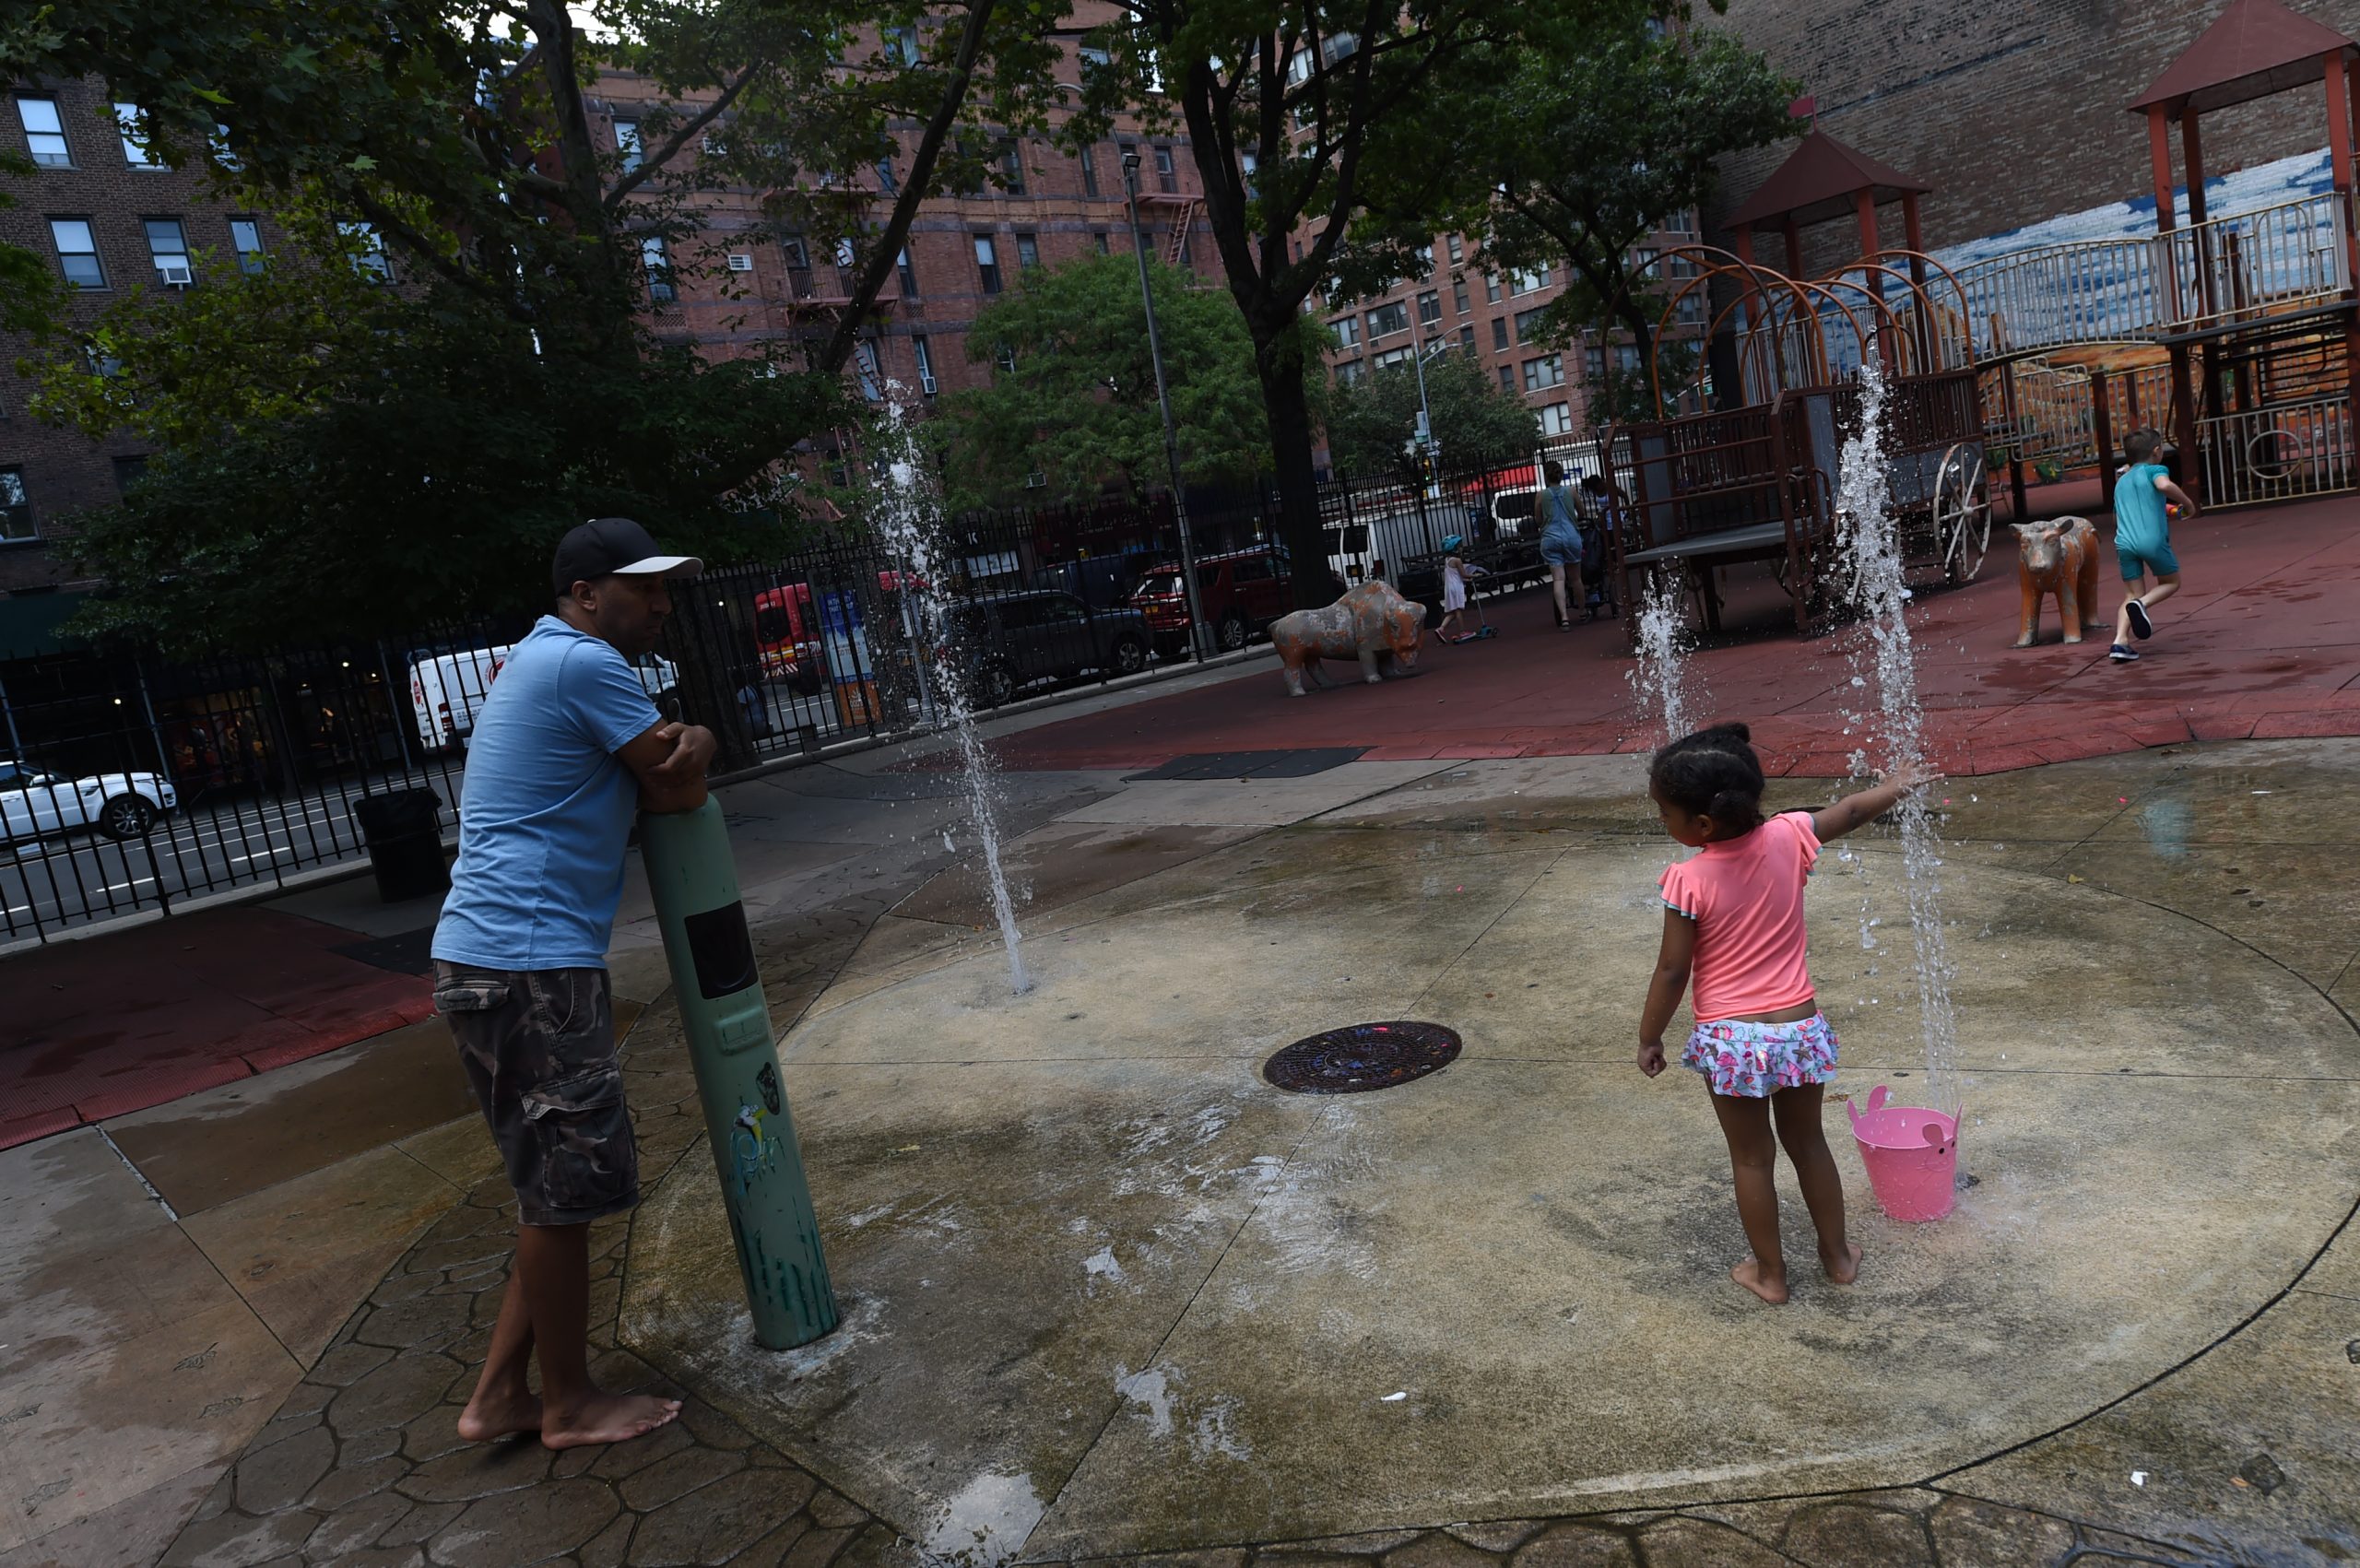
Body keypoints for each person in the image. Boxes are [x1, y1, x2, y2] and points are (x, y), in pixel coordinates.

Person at [431, 516, 719, 1449]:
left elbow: (658, 769)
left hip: (492, 958)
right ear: (587, 595)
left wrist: (685, 741)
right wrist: (702, 736)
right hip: (530, 962)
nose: (662, 605)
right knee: (567, 1189)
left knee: (551, 1187)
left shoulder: (544, 659)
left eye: (666, 587)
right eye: (645, 588)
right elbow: (676, 787)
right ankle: (567, 1404)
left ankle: (496, 1398)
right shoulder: (586, 663)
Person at [1635, 722, 1931, 1304]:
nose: (1662, 821)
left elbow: (1672, 970)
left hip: (1732, 1037)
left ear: (1703, 824)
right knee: (1809, 1144)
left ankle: (1771, 1276)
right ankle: (1838, 1258)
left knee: (1752, 1159)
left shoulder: (1687, 879)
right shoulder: (1790, 833)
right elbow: (1850, 811)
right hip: (1799, 1029)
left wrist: (1650, 1036)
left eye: (1665, 813)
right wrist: (1897, 786)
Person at [2107, 427, 2197, 664]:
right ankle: (2142, 604)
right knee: (2171, 582)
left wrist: (2164, 510)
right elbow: (2164, 486)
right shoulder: (2155, 470)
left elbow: (2119, 516)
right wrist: (2188, 503)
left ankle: (2120, 641)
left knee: (2130, 594)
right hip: (2152, 541)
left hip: (2124, 543)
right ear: (2157, 451)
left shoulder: (2121, 482)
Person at [1537, 460, 1585, 631]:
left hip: (1550, 538)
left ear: (1546, 477)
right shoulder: (1571, 491)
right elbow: (1582, 512)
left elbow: (1538, 519)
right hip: (1571, 536)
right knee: (1575, 578)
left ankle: (1564, 617)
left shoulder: (1541, 495)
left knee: (1558, 578)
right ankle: (1582, 611)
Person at [1576, 474, 1622, 619]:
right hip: (1603, 520)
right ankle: (1608, 561)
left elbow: (1621, 495)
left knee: (1613, 542)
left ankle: (1615, 562)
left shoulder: (1609, 486)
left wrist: (1624, 511)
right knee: (1601, 542)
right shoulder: (1595, 492)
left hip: (1613, 518)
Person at [1435, 536, 1486, 642]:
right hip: (1456, 587)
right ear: (1454, 548)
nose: (1461, 548)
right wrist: (1475, 575)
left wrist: (1467, 579)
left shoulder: (1447, 560)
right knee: (1458, 609)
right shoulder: (1457, 560)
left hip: (1449, 587)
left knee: (1453, 611)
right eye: (1459, 546)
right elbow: (1463, 574)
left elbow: (1455, 575)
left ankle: (1441, 629)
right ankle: (1463, 632)